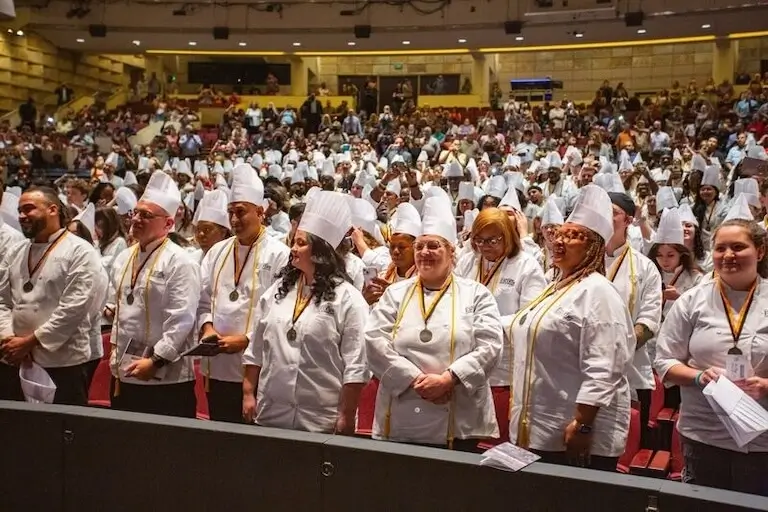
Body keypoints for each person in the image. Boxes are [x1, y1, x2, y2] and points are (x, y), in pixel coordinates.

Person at [509, 185, 634, 471]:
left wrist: (583, 424)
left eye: (574, 236)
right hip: (540, 428)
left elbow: (605, 366)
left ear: (593, 246)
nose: (560, 242)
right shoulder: (556, 287)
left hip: (573, 433)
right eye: (558, 235)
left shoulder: (599, 292)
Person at [365, 193, 503, 450]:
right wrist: (415, 379)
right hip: (402, 413)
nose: (425, 253)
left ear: (452, 252)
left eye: (434, 246)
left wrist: (449, 379)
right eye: (420, 247)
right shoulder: (396, 293)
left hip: (459, 416)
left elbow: (490, 347)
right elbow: (374, 342)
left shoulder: (476, 294)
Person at [655, 219, 768, 496]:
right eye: (721, 248)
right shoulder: (693, 301)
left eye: (738, 247)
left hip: (762, 436)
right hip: (703, 433)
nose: (728, 255)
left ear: (760, 252)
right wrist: (698, 376)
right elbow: (664, 362)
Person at [242, 190, 368, 433]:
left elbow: (356, 365)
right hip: (271, 413)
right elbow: (255, 349)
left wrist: (347, 415)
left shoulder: (349, 300)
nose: (293, 249)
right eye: (293, 242)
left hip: (320, 420)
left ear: (320, 251)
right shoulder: (277, 291)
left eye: (301, 243)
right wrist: (249, 394)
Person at [198, 164, 289, 423]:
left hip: (257, 368)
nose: (235, 220)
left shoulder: (278, 254)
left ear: (260, 212)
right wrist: (207, 328)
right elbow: (203, 300)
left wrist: (246, 340)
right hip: (216, 368)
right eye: (230, 213)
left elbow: (279, 313)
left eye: (241, 212)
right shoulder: (217, 252)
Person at [109, 172, 201, 418]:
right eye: (135, 213)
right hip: (125, 370)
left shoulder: (180, 262)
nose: (136, 219)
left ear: (168, 224)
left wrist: (156, 361)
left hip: (166, 378)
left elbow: (182, 320)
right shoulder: (124, 257)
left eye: (146, 215)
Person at [0, 187, 103, 405]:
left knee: (63, 431)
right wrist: (10, 339)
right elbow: (2, 301)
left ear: (53, 209)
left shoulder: (80, 251)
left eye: (28, 209)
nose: (21, 216)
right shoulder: (16, 251)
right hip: (15, 357)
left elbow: (73, 309)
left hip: (63, 361)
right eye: (19, 210)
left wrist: (29, 342)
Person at [455, 207, 547, 442]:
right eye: (479, 240)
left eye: (492, 240)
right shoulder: (468, 263)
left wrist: (484, 324)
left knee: (495, 441)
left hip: (504, 368)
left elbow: (530, 317)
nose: (485, 246)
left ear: (508, 236)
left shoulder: (526, 266)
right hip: (464, 360)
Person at [606, 191, 663, 448]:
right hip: (581, 369)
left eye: (613, 213)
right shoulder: (580, 261)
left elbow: (650, 320)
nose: (606, 218)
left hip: (631, 368)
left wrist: (619, 346)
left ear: (628, 220)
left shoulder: (644, 267)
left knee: (626, 446)